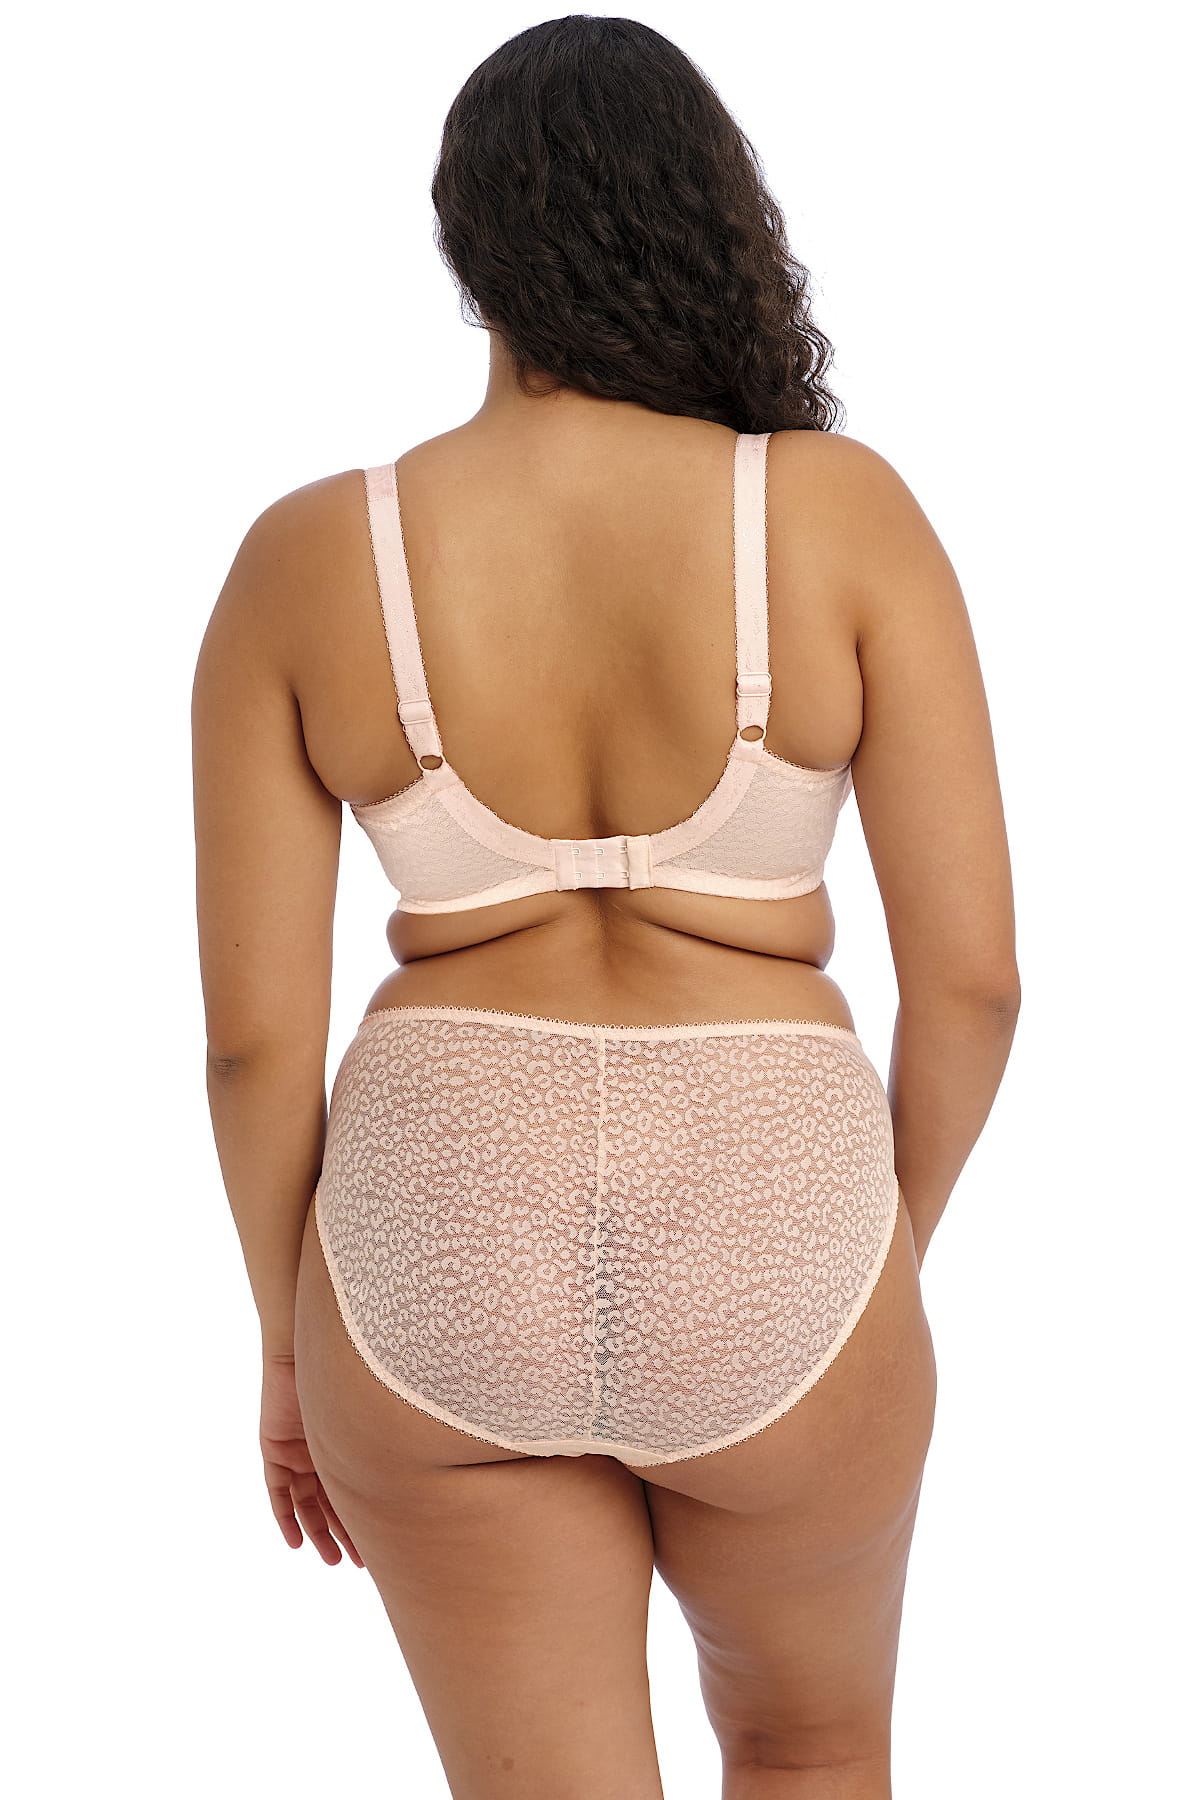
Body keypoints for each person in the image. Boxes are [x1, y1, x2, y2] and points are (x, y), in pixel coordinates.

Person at [192, 17, 1020, 1798]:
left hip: (433, 1233)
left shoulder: (308, 557)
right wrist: (870, 1256)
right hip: (768, 1192)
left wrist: (285, 1339)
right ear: (713, 212)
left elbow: (254, 1043)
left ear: (465, 246)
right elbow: (975, 984)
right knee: (809, 1752)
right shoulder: (838, 514)